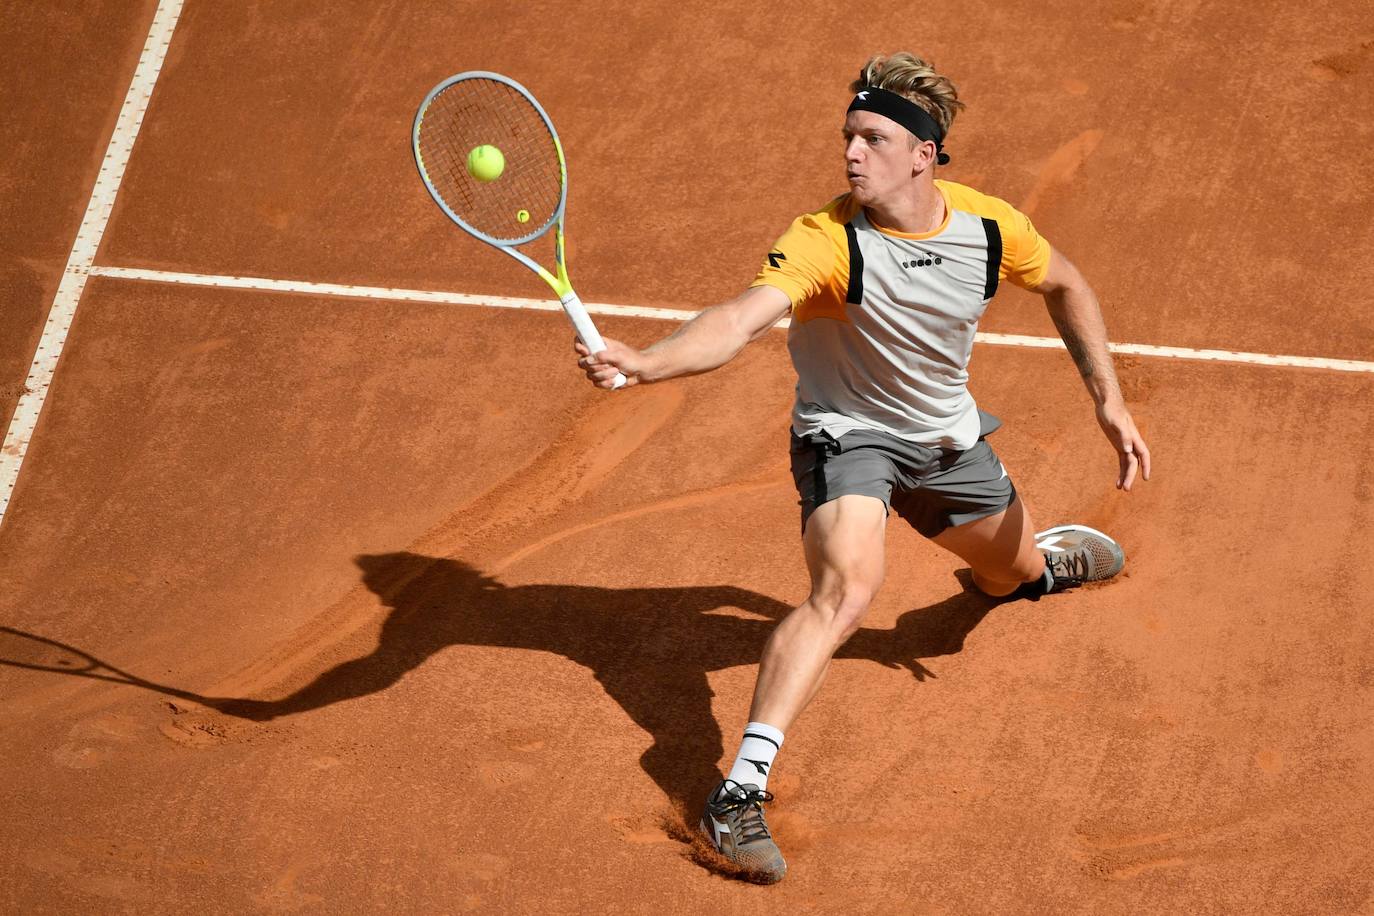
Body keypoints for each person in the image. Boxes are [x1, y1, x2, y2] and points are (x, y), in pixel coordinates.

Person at [575, 52, 1151, 883]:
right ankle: (736, 793)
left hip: (946, 439)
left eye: (873, 138)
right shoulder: (825, 241)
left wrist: (1108, 398)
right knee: (847, 587)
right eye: (847, 136)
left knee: (1010, 574)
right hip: (848, 437)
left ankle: (1035, 565)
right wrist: (651, 361)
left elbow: (1068, 284)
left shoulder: (989, 229)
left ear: (923, 154)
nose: (850, 153)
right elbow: (739, 319)